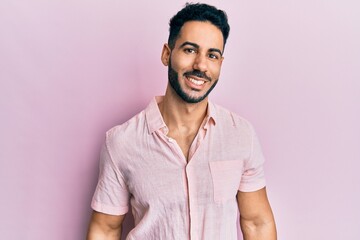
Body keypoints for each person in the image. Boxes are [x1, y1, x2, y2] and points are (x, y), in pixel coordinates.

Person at [87, 3, 277, 240]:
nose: (200, 65)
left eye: (212, 55)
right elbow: (105, 229)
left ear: (220, 63)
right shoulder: (122, 142)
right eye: (189, 50)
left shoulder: (240, 135)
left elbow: (257, 223)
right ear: (167, 54)